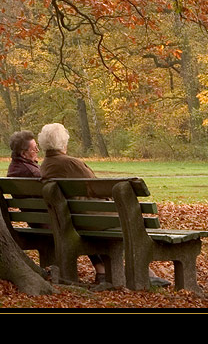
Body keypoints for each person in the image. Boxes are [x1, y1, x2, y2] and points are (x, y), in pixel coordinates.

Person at [37, 122, 169, 288]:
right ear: (63, 143)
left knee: (104, 221)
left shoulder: (45, 166)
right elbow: (98, 187)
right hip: (90, 220)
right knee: (126, 219)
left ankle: (104, 271)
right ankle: (146, 274)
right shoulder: (71, 163)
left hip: (72, 220)